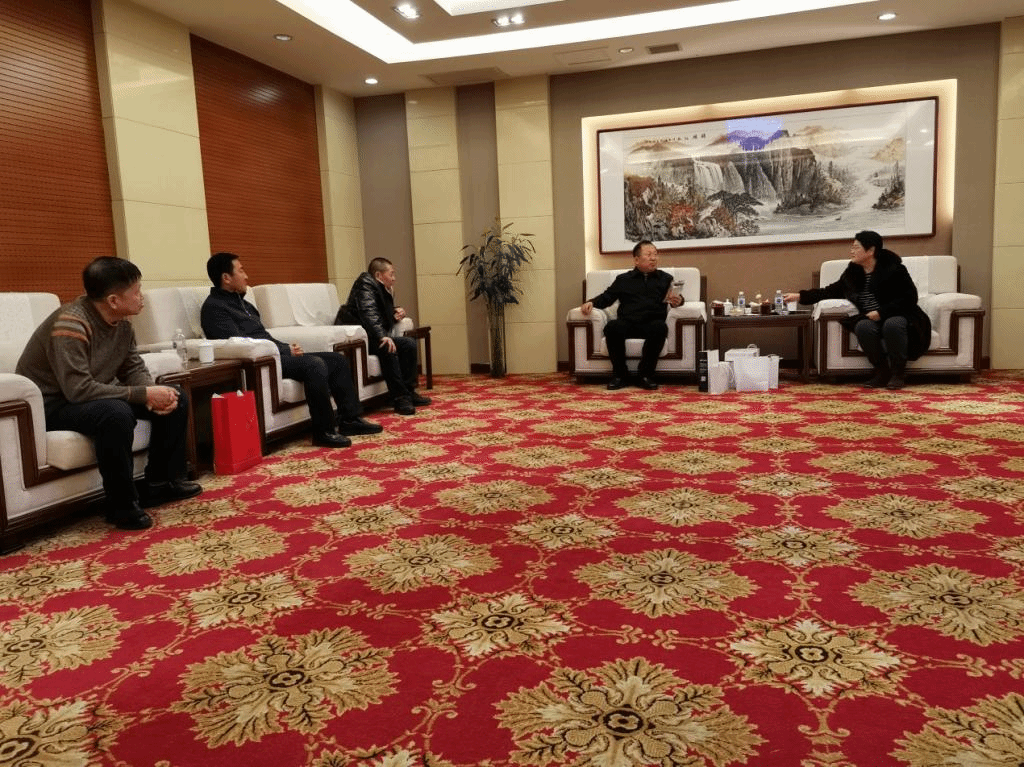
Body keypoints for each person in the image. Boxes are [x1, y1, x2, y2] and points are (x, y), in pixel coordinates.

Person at [16, 257, 201, 530]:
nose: (142, 297)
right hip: (53, 405)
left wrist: (153, 393)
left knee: (175, 396)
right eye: (136, 291)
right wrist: (143, 395)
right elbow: (78, 390)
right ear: (113, 300)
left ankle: (160, 483)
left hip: (88, 396)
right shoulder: (71, 325)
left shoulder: (122, 324)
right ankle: (121, 506)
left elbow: (133, 367)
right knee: (116, 413)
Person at [200, 252, 382, 448]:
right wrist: (284, 351)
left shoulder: (244, 304)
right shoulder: (214, 309)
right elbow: (239, 344)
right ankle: (324, 431)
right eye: (241, 271)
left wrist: (285, 347)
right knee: (315, 365)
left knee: (336, 360)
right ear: (226, 278)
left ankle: (350, 420)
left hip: (275, 354)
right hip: (263, 362)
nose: (246, 276)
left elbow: (263, 336)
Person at [784, 230, 930, 390]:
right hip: (872, 318)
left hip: (901, 315)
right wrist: (799, 296)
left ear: (871, 250)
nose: (851, 251)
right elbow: (830, 291)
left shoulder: (894, 269)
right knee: (863, 326)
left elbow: (910, 298)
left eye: (856, 247)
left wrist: (882, 313)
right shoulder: (852, 273)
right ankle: (882, 372)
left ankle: (898, 374)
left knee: (892, 324)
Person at [578, 240, 683, 391]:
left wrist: (678, 301)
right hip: (628, 323)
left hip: (652, 323)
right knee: (612, 327)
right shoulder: (623, 279)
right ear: (636, 259)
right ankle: (620, 376)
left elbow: (675, 299)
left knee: (660, 328)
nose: (653, 258)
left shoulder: (666, 279)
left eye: (655, 254)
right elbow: (607, 297)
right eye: (649, 254)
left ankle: (645, 376)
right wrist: (591, 302)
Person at [336, 258, 431, 415]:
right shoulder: (365, 284)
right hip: (358, 340)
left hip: (370, 335)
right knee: (387, 346)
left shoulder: (382, 288)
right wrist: (382, 336)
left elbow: (380, 314)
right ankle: (400, 398)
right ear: (379, 275)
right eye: (391, 274)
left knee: (408, 344)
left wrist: (396, 313)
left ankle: (409, 391)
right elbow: (368, 313)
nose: (394, 278)